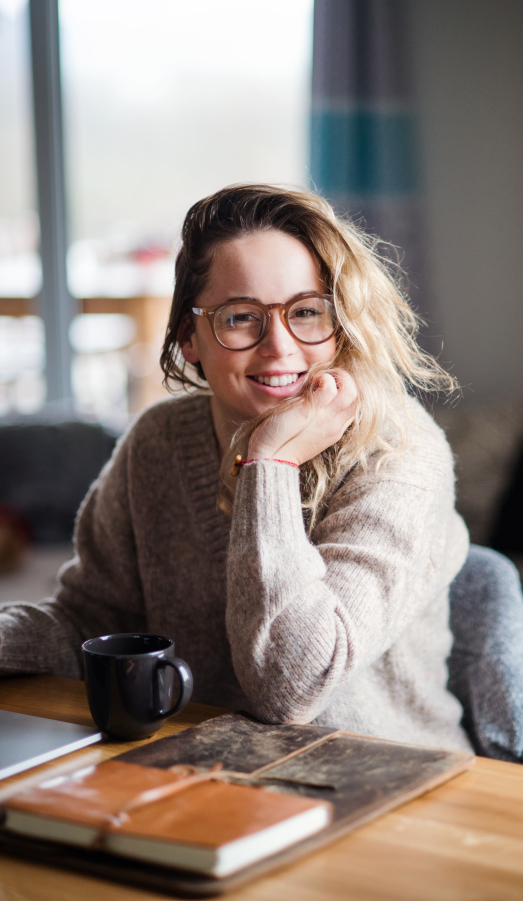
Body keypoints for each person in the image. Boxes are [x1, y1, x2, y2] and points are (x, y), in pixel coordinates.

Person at [0, 185, 476, 751]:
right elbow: (89, 625)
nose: (279, 347)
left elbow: (291, 686)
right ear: (189, 339)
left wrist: (269, 463)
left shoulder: (398, 451)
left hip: (391, 786)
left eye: (306, 312)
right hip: (210, 776)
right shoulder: (156, 444)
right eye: (241, 317)